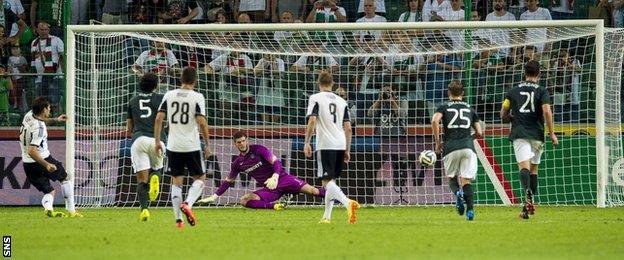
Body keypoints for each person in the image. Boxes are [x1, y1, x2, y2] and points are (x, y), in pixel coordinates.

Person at [198, 131, 327, 209]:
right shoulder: (238, 163)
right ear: (235, 144)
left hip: (282, 179)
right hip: (269, 189)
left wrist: (275, 176)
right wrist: (214, 196)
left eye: (243, 141)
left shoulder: (259, 149)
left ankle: (344, 200)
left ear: (247, 140)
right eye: (239, 142)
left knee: (313, 191)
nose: (242, 144)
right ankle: (275, 206)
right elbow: (228, 181)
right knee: (244, 200)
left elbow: (275, 162)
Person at [500, 60, 558, 219]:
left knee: (523, 168)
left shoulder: (512, 91)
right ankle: (527, 208)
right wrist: (552, 133)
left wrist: (511, 118)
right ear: (538, 74)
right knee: (534, 170)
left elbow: (503, 113)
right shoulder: (542, 91)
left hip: (520, 133)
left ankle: (527, 195)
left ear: (524, 73)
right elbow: (547, 111)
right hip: (538, 134)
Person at [154, 67, 211, 228]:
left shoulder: (169, 95)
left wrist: (157, 141)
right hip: (191, 145)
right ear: (195, 81)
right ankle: (188, 204)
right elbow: (201, 122)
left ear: (181, 79)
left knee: (176, 181)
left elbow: (159, 119)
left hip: (173, 145)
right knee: (200, 179)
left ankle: (178, 220)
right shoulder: (197, 97)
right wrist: (207, 143)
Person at [304, 70, 360, 224]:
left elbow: (312, 121)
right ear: (332, 83)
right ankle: (326, 217)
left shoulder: (315, 98)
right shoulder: (342, 101)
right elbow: (348, 128)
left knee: (326, 182)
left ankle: (348, 202)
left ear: (318, 83)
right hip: (341, 143)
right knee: (331, 181)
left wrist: (307, 142)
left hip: (325, 144)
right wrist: (347, 149)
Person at [19, 97, 82, 218]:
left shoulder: (29, 115)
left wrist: (56, 119)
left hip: (27, 163)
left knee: (49, 191)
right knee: (64, 178)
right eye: (48, 108)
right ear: (44, 109)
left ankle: (48, 208)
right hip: (42, 158)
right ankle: (71, 211)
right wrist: (47, 164)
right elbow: (32, 151)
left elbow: (41, 120)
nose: (50, 110)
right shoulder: (39, 129)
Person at [431, 80, 483, 221]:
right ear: (463, 93)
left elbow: (435, 121)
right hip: (468, 147)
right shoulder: (470, 109)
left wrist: (438, 143)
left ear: (449, 93)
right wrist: (469, 138)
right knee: (466, 180)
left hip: (450, 147)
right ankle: (470, 211)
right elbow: (480, 132)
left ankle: (458, 193)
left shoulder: (443, 107)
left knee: (452, 178)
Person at [126, 73, 165, 221]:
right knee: (157, 169)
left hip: (139, 140)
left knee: (142, 180)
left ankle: (144, 210)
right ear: (155, 85)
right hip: (157, 140)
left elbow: (129, 127)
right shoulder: (161, 99)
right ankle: (155, 176)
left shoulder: (133, 101)